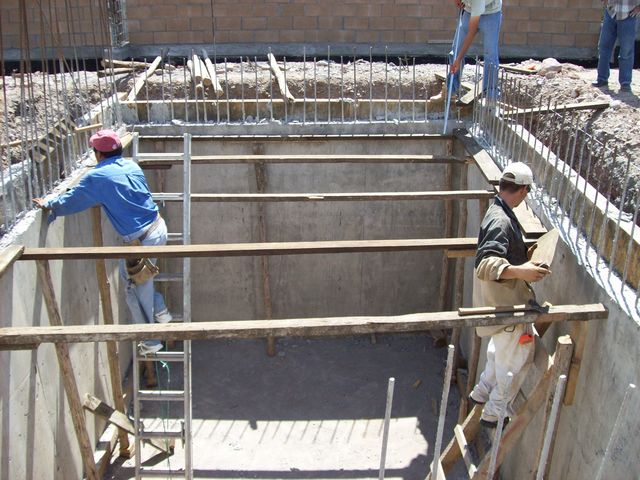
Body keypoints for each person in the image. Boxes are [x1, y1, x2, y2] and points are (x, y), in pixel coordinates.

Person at [33, 129, 172, 355]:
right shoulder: (131, 165)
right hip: (158, 228)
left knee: (133, 287)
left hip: (142, 240)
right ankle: (161, 311)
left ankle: (152, 339)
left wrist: (50, 203)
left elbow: (73, 200)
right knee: (142, 281)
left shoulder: (98, 178)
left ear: (98, 154)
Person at [469, 162, 550, 429]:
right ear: (524, 190)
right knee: (517, 360)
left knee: (498, 352)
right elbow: (486, 265)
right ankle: (494, 412)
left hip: (497, 302)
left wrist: (523, 258)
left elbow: (499, 255)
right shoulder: (501, 219)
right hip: (506, 305)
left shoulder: (499, 210)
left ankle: (481, 392)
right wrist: (521, 271)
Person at [449, 0, 502, 99]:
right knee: (456, 50)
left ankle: (490, 94)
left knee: (490, 54)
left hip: (491, 13)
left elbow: (471, 31)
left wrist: (459, 59)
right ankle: (451, 90)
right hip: (469, 10)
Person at [593, 0, 640, 92]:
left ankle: (625, 83)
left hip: (629, 14)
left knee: (626, 51)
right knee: (604, 47)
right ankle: (602, 79)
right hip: (611, 12)